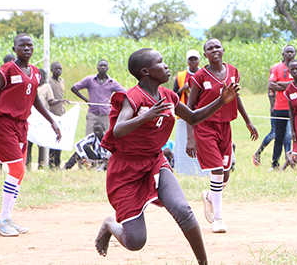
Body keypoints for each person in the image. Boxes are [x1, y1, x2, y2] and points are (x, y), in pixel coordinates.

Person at [94, 48, 240, 264]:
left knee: (182, 209)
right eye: (160, 62)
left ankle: (203, 263)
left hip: (155, 161)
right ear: (145, 71)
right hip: (126, 170)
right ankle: (109, 224)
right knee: (136, 241)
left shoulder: (169, 96)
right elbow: (118, 129)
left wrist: (220, 101)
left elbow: (192, 117)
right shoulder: (133, 97)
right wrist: (146, 116)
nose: (166, 66)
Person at [0, 33, 61, 237]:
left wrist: (52, 120)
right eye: (22, 45)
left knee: (19, 173)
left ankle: (7, 218)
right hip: (3, 122)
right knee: (18, 168)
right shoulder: (7, 69)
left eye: (30, 45)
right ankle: (2, 220)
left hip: (21, 124)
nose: (27, 48)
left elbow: (35, 98)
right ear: (15, 49)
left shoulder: (36, 72)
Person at [186, 38, 258, 234]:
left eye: (217, 47)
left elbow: (236, 97)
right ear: (205, 54)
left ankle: (209, 196)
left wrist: (247, 120)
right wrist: (190, 137)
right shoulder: (200, 76)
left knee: (225, 174)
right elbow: (190, 109)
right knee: (217, 170)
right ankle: (218, 218)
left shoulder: (233, 71)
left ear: (223, 50)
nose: (215, 50)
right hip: (205, 127)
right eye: (210, 48)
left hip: (225, 127)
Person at [267, 45, 297, 169]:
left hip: (296, 107)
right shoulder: (276, 68)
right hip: (280, 107)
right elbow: (271, 85)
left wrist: (280, 84)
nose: (289, 54)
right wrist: (290, 85)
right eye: (287, 52)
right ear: (283, 54)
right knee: (278, 137)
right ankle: (275, 163)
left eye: (292, 52)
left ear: (295, 53)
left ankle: (296, 161)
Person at [71, 59, 125, 135]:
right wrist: (86, 100)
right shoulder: (89, 80)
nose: (103, 67)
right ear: (97, 68)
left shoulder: (112, 82)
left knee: (106, 136)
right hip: (92, 113)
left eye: (105, 66)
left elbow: (124, 93)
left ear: (108, 68)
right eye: (101, 66)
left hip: (105, 114)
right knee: (89, 136)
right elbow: (74, 88)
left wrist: (113, 102)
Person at [172, 49, 201, 171]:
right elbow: (173, 97)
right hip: (184, 114)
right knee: (184, 142)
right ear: (187, 60)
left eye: (195, 59)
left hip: (201, 113)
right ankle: (183, 169)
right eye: (191, 59)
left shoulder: (204, 73)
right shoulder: (180, 76)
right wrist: (182, 89)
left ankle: (201, 168)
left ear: (199, 60)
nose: (193, 62)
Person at [252, 83, 293, 167]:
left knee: (288, 134)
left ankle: (288, 160)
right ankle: (258, 153)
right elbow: (270, 90)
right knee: (274, 133)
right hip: (276, 109)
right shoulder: (275, 70)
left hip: (287, 108)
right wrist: (272, 106)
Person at [26, 69, 54, 170]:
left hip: (42, 120)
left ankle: (41, 165)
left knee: (42, 143)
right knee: (28, 142)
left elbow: (49, 101)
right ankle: (27, 165)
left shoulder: (46, 87)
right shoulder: (30, 85)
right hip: (30, 118)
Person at [48, 62, 69, 168]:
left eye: (60, 69)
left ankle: (57, 162)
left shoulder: (62, 81)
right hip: (52, 112)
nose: (58, 71)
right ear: (51, 70)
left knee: (60, 138)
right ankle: (50, 162)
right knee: (52, 139)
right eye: (56, 69)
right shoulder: (49, 81)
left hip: (61, 113)